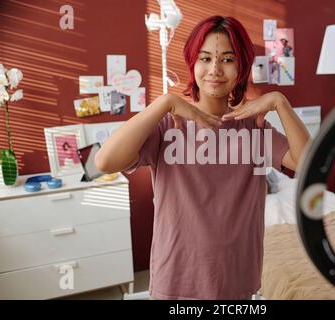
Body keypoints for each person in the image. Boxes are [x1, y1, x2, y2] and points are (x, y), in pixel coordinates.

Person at [95, 16, 310, 300]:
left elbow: (309, 163)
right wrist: (164, 103)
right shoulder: (167, 125)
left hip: (237, 281)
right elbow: (105, 162)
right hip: (175, 280)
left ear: (241, 66)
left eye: (227, 59)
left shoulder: (253, 129)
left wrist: (279, 102)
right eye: (205, 58)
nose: (215, 70)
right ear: (193, 64)